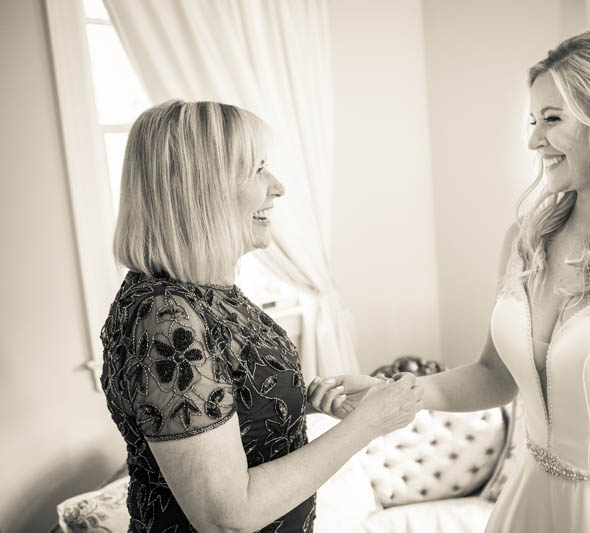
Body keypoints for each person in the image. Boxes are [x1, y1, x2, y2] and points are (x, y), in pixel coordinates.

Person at [310, 28, 590, 532]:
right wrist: (388, 393)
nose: (533, 139)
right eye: (533, 120)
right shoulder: (525, 240)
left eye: (552, 119)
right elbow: (493, 377)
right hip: (530, 508)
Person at [100, 99, 423, 533]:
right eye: (257, 169)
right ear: (201, 189)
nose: (278, 187)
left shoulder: (209, 295)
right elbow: (227, 518)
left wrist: (295, 402)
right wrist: (367, 425)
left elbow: (223, 410)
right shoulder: (165, 317)